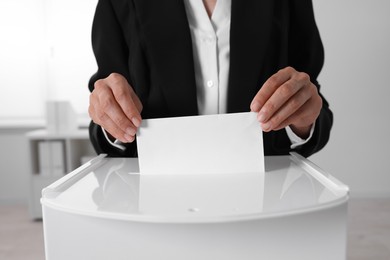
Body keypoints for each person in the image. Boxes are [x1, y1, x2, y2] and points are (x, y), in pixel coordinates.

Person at [88, 0, 333, 158]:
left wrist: (304, 121)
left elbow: (311, 100)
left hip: (264, 198)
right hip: (153, 199)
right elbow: (105, 111)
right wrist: (111, 121)